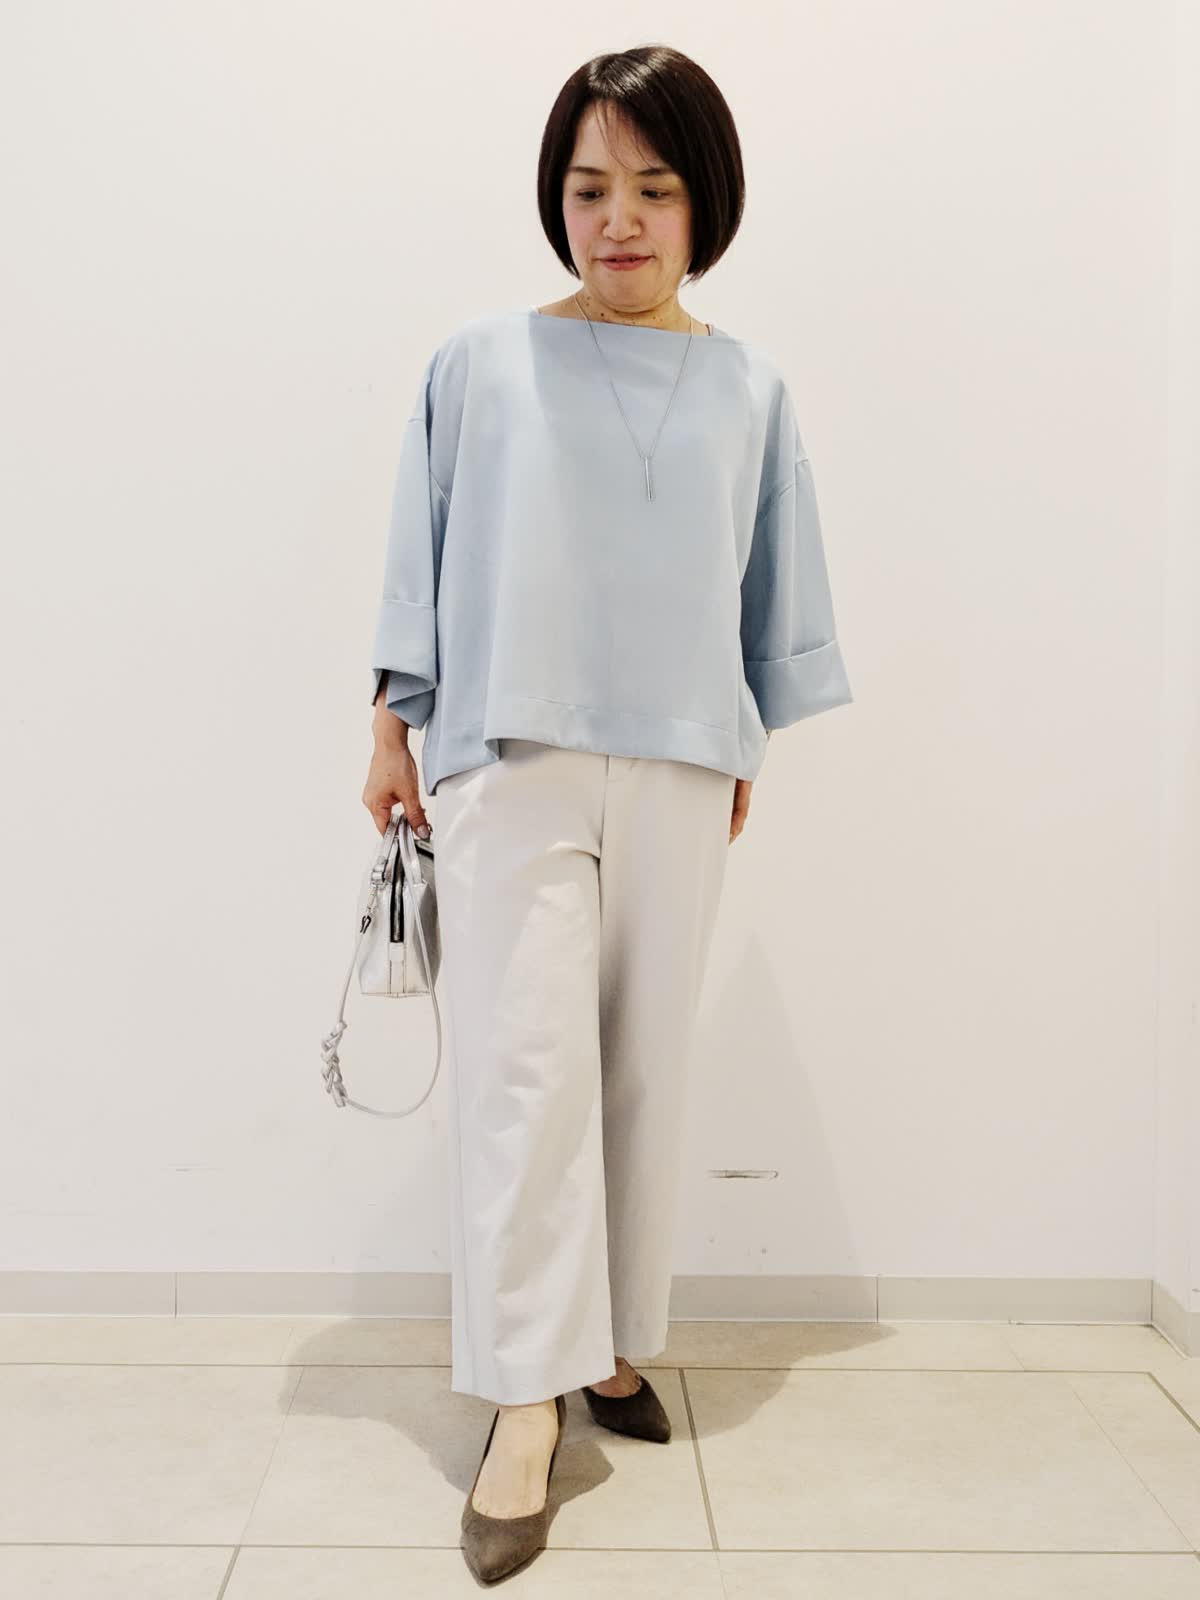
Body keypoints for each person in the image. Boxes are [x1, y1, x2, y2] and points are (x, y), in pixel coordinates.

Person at [361, 43, 853, 1583]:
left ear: (706, 203)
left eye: (652, 188)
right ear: (554, 199)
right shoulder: (480, 362)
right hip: (508, 756)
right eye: (588, 189)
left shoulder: (752, 387)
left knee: (645, 1072)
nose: (618, 219)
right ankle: (525, 1403)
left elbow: (770, 588)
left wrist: (742, 740)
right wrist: (391, 722)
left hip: (683, 763)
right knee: (527, 1077)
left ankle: (611, 1344)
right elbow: (423, 546)